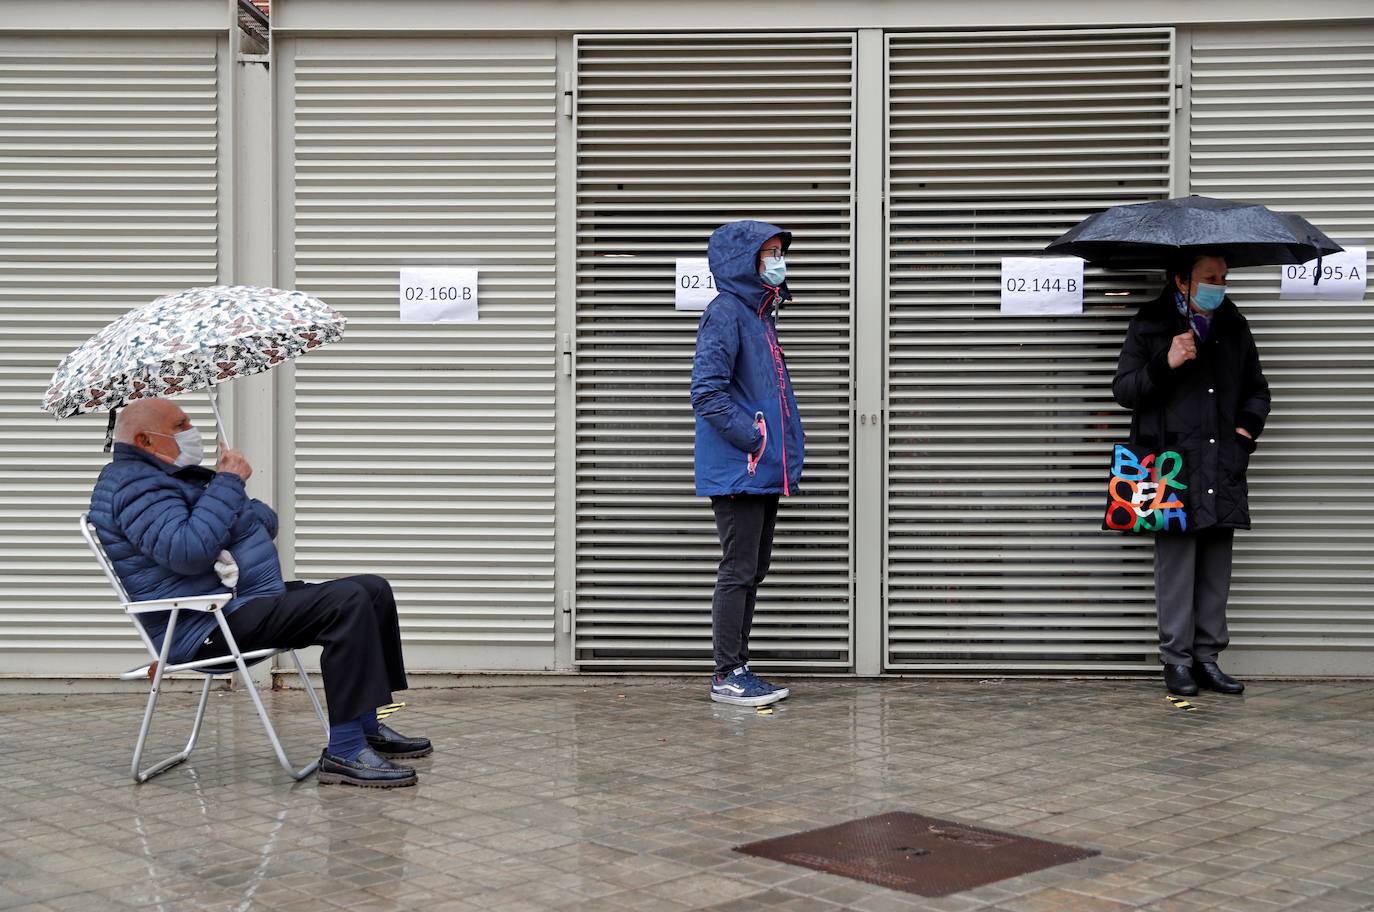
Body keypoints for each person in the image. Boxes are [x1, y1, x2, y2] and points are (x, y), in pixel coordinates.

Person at [88, 397, 430, 787]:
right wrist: (229, 484)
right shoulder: (134, 487)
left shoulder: (175, 476)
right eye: (181, 425)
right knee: (346, 603)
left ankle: (367, 727)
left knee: (372, 589)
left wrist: (226, 490)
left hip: (239, 604)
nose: (192, 432)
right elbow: (187, 551)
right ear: (146, 440)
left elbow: (264, 523)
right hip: (203, 626)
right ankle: (346, 750)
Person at [1112, 252, 1270, 697]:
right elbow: (1124, 389)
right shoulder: (1150, 323)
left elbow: (1258, 389)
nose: (1219, 285)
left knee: (1217, 566)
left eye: (1223, 277)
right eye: (1209, 277)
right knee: (1177, 566)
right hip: (1171, 466)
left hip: (1224, 462)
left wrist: (1244, 435)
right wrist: (1168, 360)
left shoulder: (1233, 325)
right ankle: (1176, 661)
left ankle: (1207, 658)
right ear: (1182, 281)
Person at [690, 220, 805, 707]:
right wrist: (754, 440)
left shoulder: (760, 315)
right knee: (738, 569)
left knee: (753, 567)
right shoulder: (727, 313)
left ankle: (739, 665)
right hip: (742, 469)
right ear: (745, 260)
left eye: (780, 252)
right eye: (770, 254)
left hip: (758, 470)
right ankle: (726, 674)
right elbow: (707, 393)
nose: (778, 262)